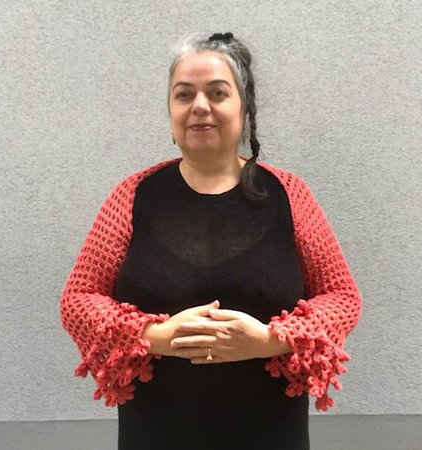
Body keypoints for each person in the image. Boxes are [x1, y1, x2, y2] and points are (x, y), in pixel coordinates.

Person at [60, 31, 362, 450]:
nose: (199, 106)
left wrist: (270, 340)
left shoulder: (290, 195)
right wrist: (157, 335)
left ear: (244, 107)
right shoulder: (131, 196)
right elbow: (78, 298)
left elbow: (342, 297)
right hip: (154, 437)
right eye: (184, 95)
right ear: (170, 110)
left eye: (217, 93)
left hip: (272, 437)